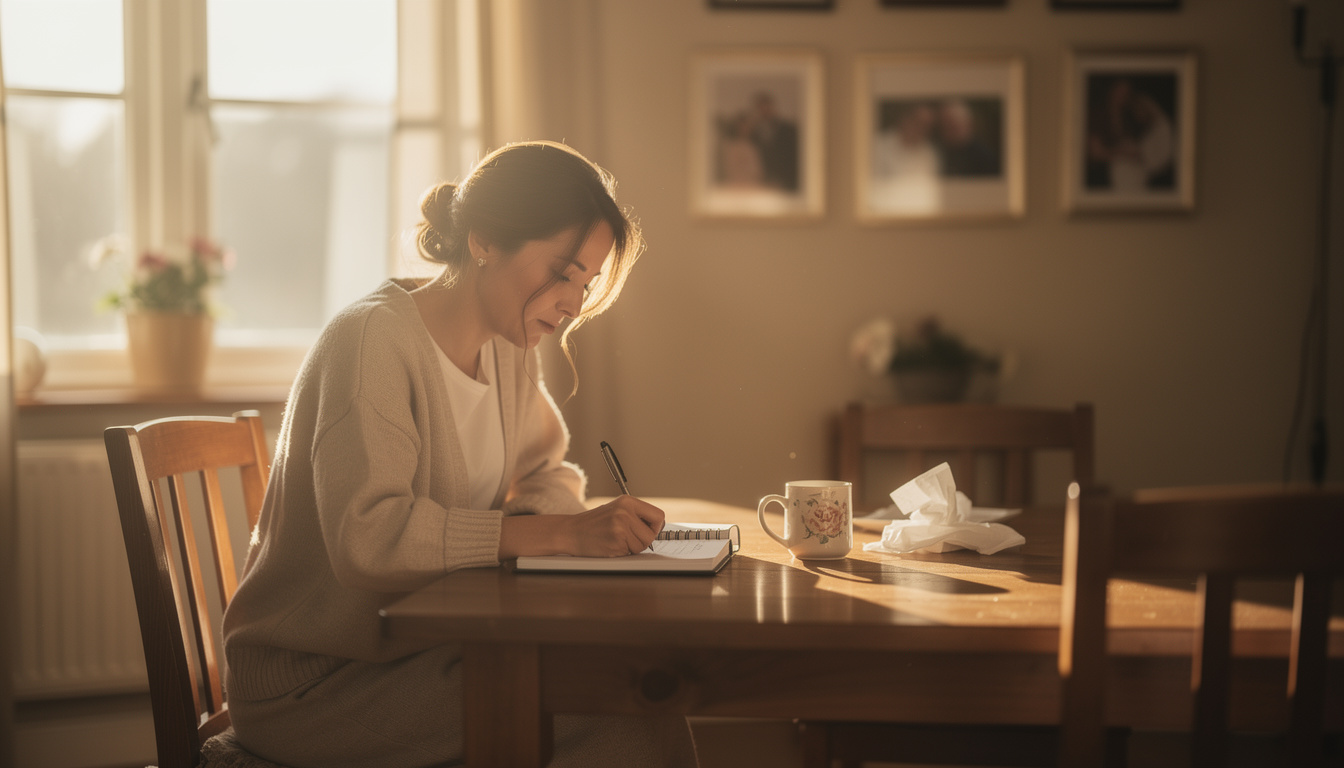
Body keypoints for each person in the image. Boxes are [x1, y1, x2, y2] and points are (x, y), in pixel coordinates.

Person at [222, 141, 700, 768]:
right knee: (627, 711)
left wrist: (540, 527)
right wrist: (554, 536)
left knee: (634, 690)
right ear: (483, 240)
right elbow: (369, 535)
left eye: (586, 281)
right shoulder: (372, 342)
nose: (574, 303)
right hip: (321, 682)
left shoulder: (507, 348)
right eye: (563, 272)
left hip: (425, 649)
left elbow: (546, 468)